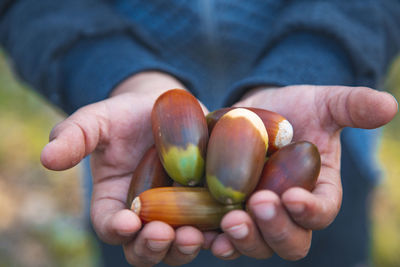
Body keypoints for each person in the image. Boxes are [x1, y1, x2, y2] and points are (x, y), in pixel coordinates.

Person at [1, 1, 399, 266]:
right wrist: (113, 71)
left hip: (323, 147)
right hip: (130, 140)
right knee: (142, 239)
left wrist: (316, 61)